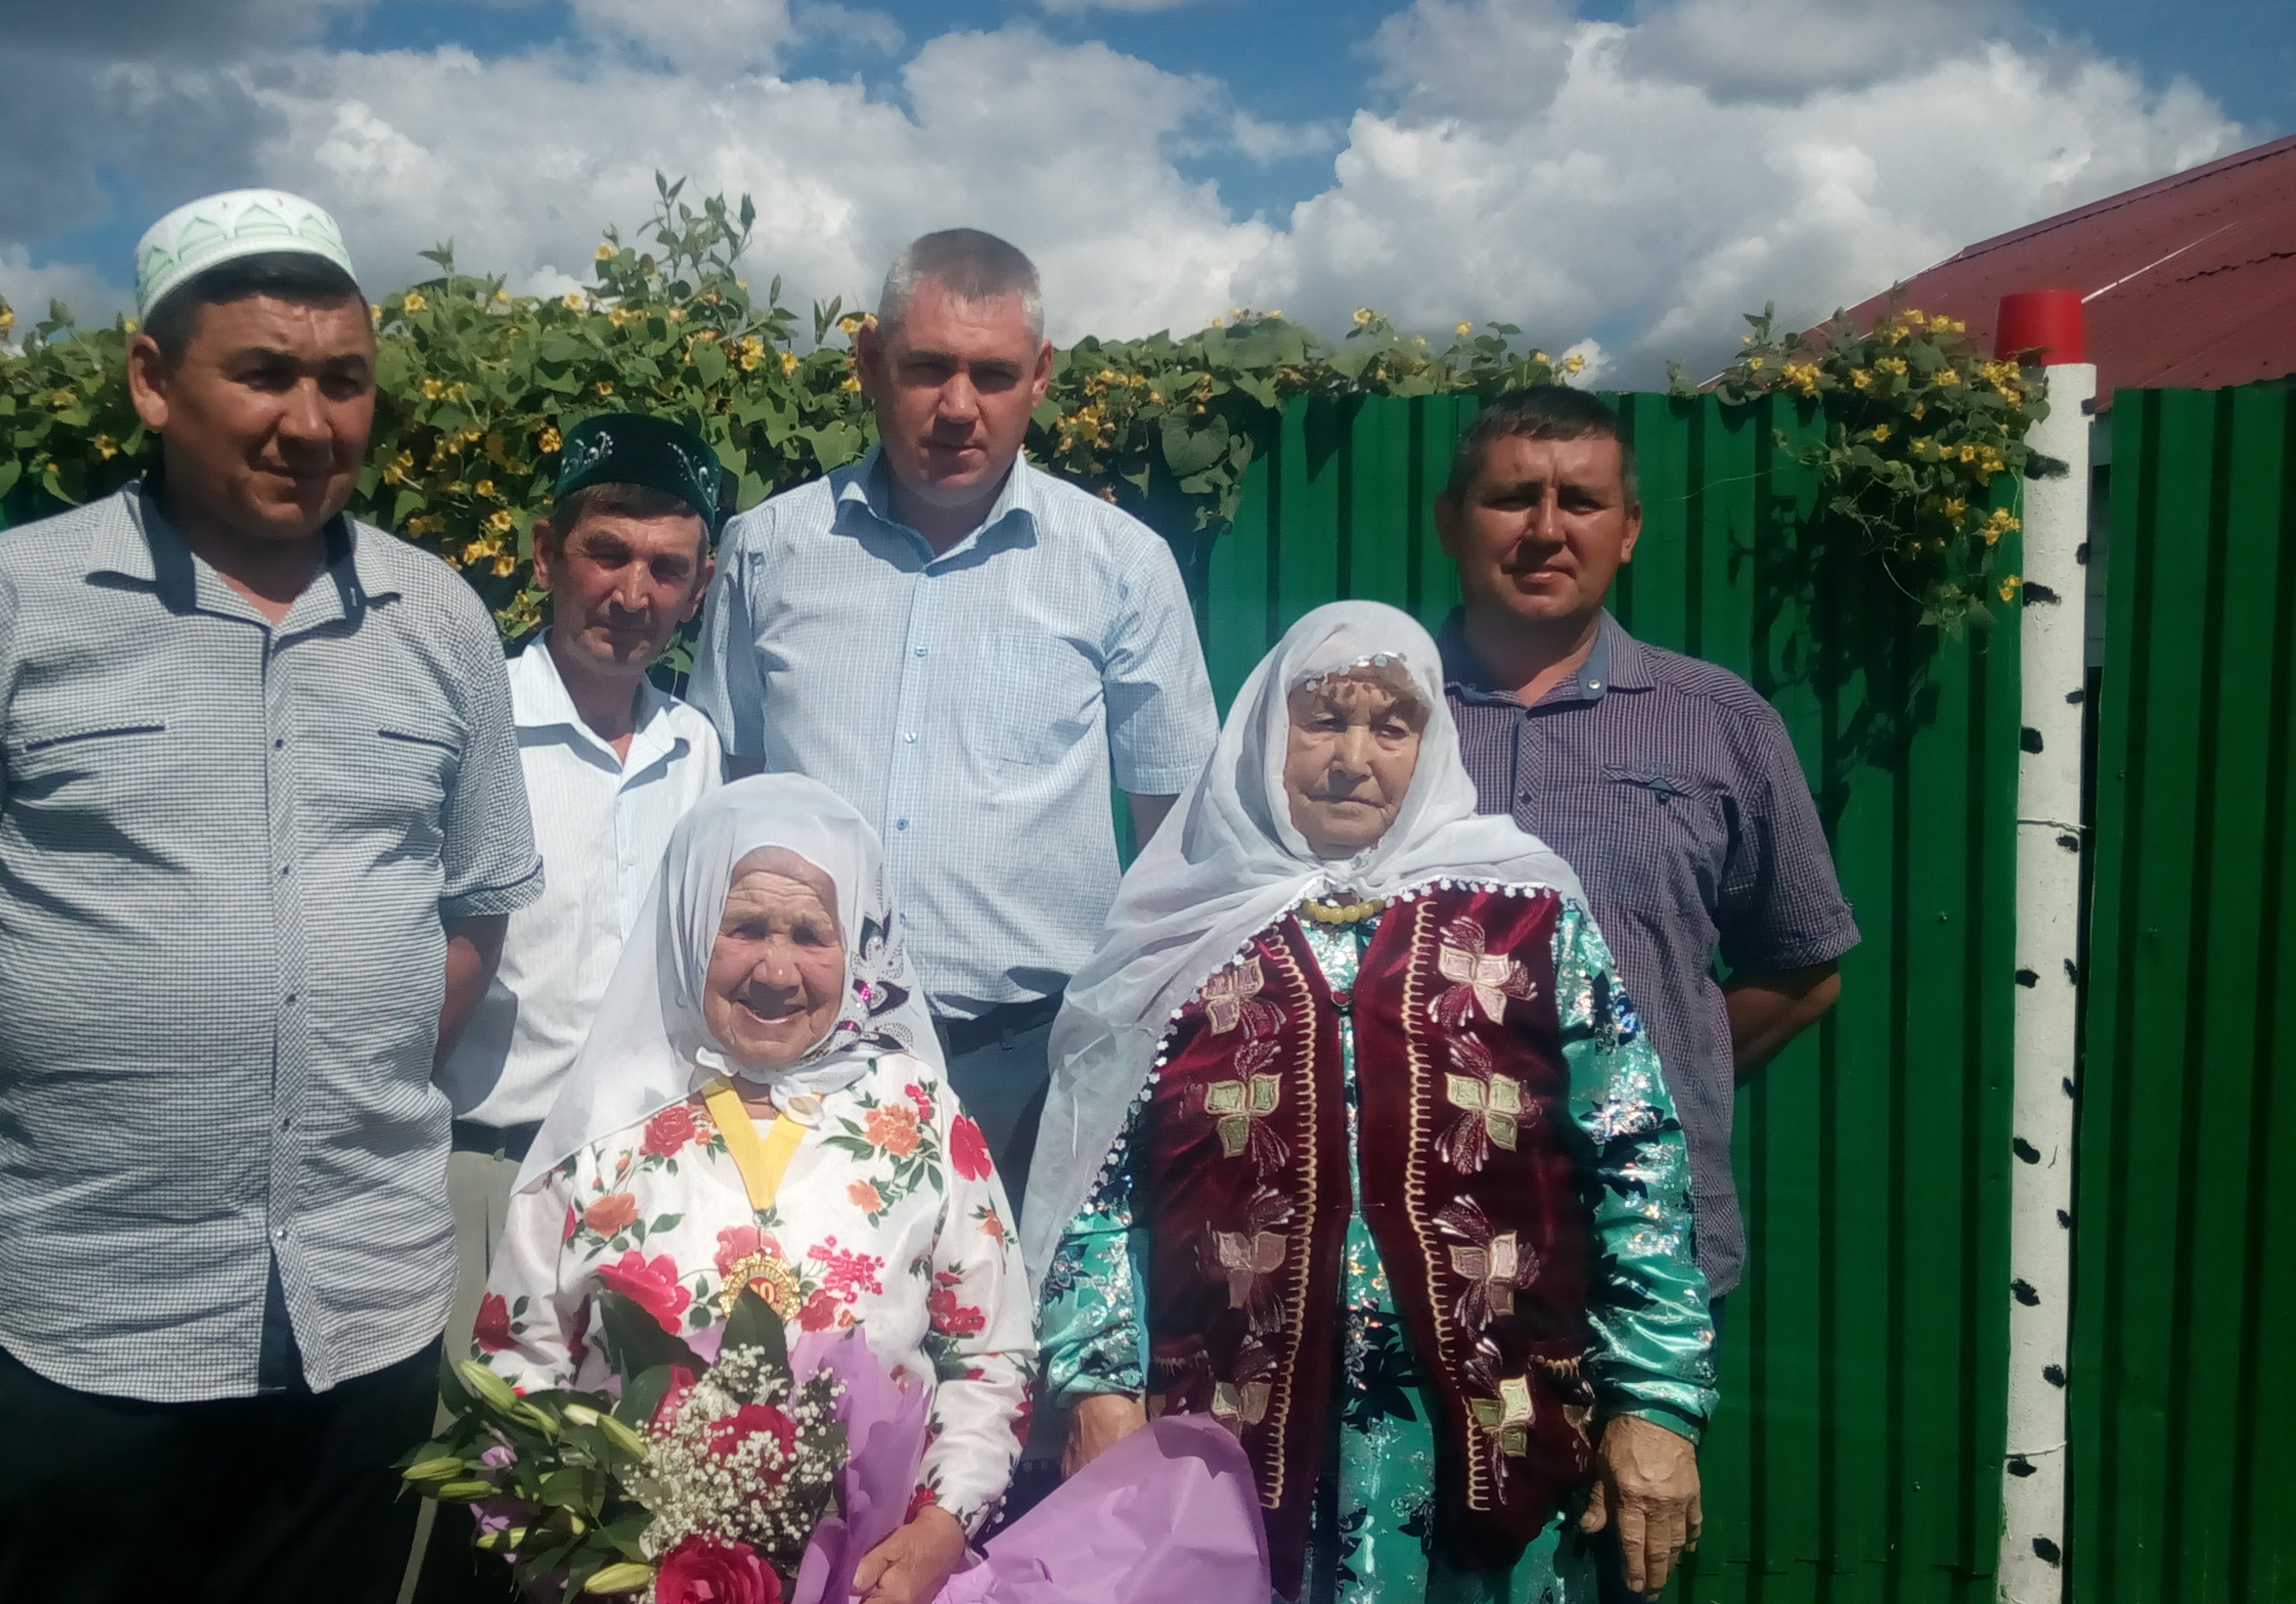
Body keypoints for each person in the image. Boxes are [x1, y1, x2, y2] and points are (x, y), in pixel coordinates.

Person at [0, 189, 542, 1604]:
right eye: (261, 373)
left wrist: (340, 1080)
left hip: (366, 1313)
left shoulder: (437, 619)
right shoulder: (3, 608)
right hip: (98, 1328)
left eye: (342, 381)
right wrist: (65, 1116)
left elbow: (473, 908)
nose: (309, 421)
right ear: (154, 379)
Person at [1025, 602, 1717, 1602]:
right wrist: (1096, 1388)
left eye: (1392, 725)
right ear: (1266, 732)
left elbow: (1637, 1162)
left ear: (1430, 744)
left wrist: (1654, 1403)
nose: (1354, 756)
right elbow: (1095, 1188)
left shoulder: (1528, 918)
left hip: (1494, 1455)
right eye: (1323, 721)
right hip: (1218, 1458)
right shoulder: (1175, 935)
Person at [690, 228, 1217, 1205]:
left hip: (1028, 1062)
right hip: (797, 1055)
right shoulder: (768, 551)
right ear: (868, 364)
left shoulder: (1120, 567)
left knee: (1011, 1351)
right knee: (801, 1348)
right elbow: (724, 795)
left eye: (993, 373)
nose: (958, 408)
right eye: (927, 368)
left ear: (1042, 376)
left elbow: (1178, 845)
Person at [481, 775, 1033, 1604]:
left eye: (812, 934)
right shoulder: (601, 1126)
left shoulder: (916, 1112)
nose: (776, 970)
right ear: (688, 927)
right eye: (742, 928)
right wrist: (582, 1553)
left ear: (858, 947)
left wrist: (940, 1526)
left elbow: (990, 1355)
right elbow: (517, 1363)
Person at [1432, 386, 1857, 1304]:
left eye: (1580, 503)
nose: (1545, 529)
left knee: (1631, 1458)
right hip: (1403, 1232)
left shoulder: (1717, 723)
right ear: (1449, 522)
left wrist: (1652, 1072)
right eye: (1511, 498)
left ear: (1626, 530)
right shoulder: (1363, 720)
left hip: (1635, 1237)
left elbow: (1802, 969)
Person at [414, 414, 725, 1598]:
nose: (632, 590)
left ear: (696, 592)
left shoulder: (702, 753)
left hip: (642, 1192)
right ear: (546, 551)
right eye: (606, 552)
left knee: (611, 1520)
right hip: (475, 1183)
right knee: (450, 1512)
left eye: (667, 567)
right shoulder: (466, 727)